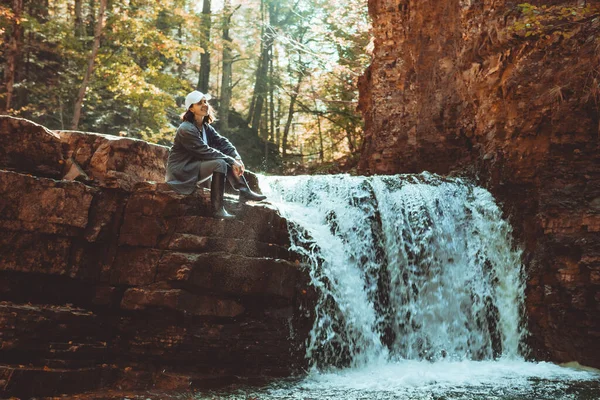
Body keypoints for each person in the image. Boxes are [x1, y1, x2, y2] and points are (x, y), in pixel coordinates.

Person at [165, 90, 266, 219]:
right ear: (191, 108)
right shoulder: (186, 129)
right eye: (199, 103)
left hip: (194, 168)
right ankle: (217, 209)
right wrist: (231, 160)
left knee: (225, 159)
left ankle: (244, 191)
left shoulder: (205, 127)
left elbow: (222, 142)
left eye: (205, 101)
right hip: (181, 172)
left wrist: (236, 157)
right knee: (220, 162)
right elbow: (204, 151)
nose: (205, 105)